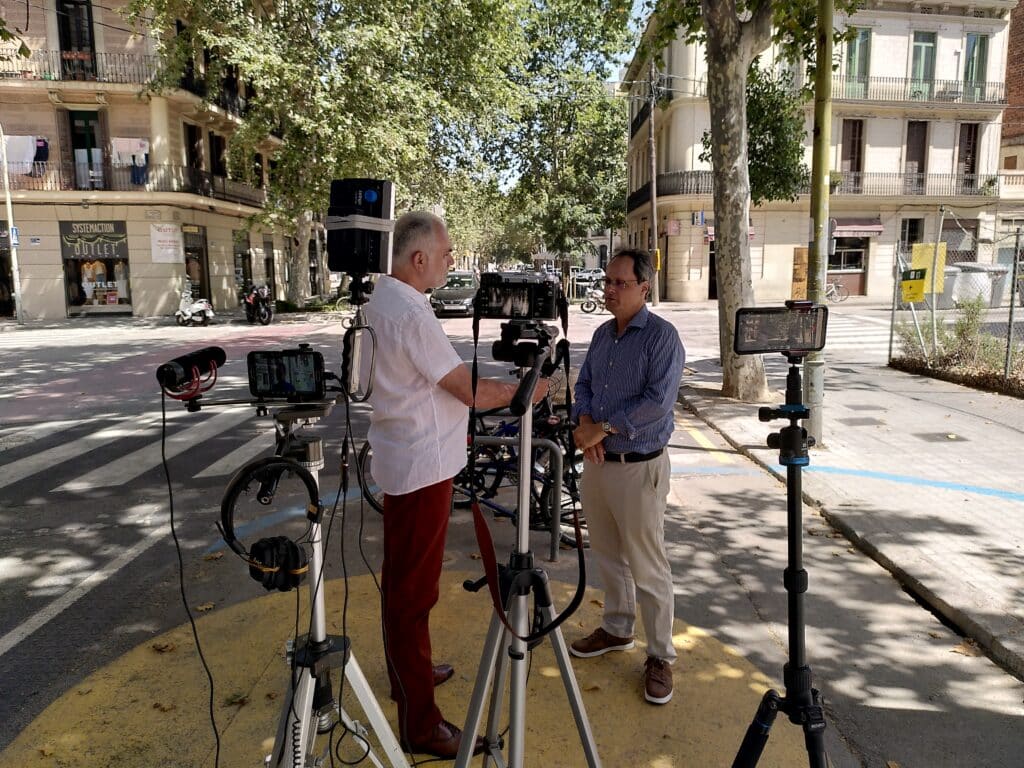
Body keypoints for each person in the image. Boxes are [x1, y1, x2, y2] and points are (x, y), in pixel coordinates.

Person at [361, 211, 548, 758]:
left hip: (409, 461)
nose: (449, 260)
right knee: (413, 593)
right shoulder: (410, 312)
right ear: (418, 258)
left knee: (404, 585)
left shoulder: (386, 301)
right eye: (445, 253)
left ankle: (408, 675)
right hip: (420, 467)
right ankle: (419, 723)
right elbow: (465, 388)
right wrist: (528, 390)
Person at [568, 247, 685, 705]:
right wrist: (583, 426)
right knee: (609, 555)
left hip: (640, 468)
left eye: (620, 283)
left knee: (648, 565)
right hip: (599, 465)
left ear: (644, 287)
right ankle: (617, 629)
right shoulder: (602, 335)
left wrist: (606, 427)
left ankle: (660, 655)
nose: (610, 289)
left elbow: (659, 401)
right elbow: (585, 386)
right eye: (608, 281)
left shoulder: (661, 338)